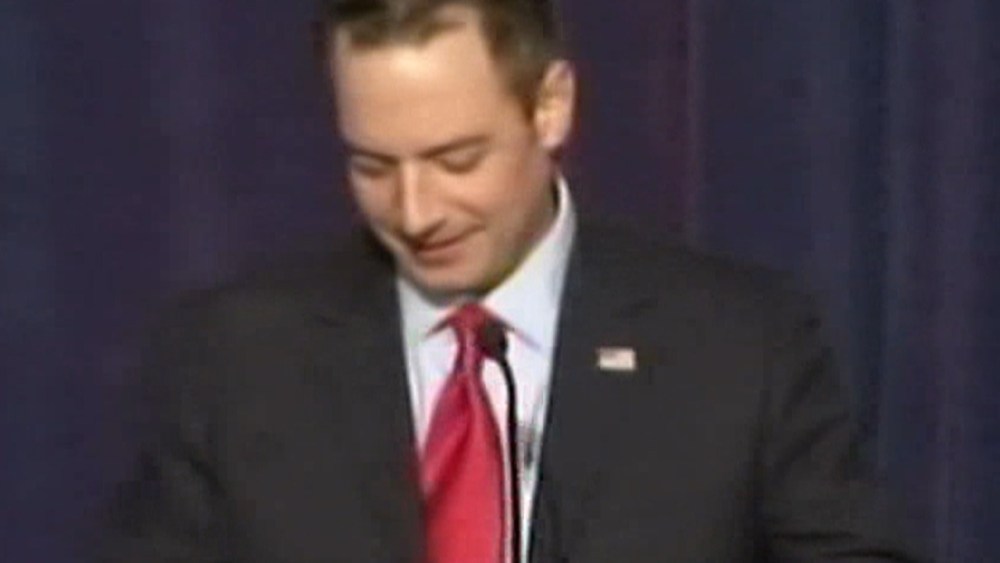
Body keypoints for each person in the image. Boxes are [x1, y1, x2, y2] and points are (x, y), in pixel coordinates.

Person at [102, 0, 921, 561]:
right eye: (373, 166)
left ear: (551, 107)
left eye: (457, 160)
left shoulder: (740, 345)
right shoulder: (237, 357)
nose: (416, 211)